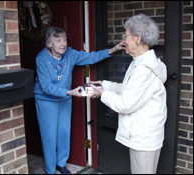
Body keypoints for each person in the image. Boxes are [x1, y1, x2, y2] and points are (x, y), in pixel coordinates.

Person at [34, 26, 124, 174]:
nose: (63, 43)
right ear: (49, 44)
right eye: (58, 40)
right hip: (46, 100)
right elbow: (46, 87)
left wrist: (112, 50)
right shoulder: (41, 58)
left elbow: (90, 57)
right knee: (49, 135)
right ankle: (50, 169)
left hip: (65, 98)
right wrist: (69, 92)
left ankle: (60, 163)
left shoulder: (69, 54)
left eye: (65, 39)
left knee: (63, 132)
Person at [89, 14, 167, 174]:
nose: (123, 40)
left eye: (126, 36)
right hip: (143, 133)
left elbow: (125, 103)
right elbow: (127, 90)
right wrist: (104, 84)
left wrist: (102, 94)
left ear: (137, 38)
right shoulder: (140, 62)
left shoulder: (143, 70)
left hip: (144, 137)